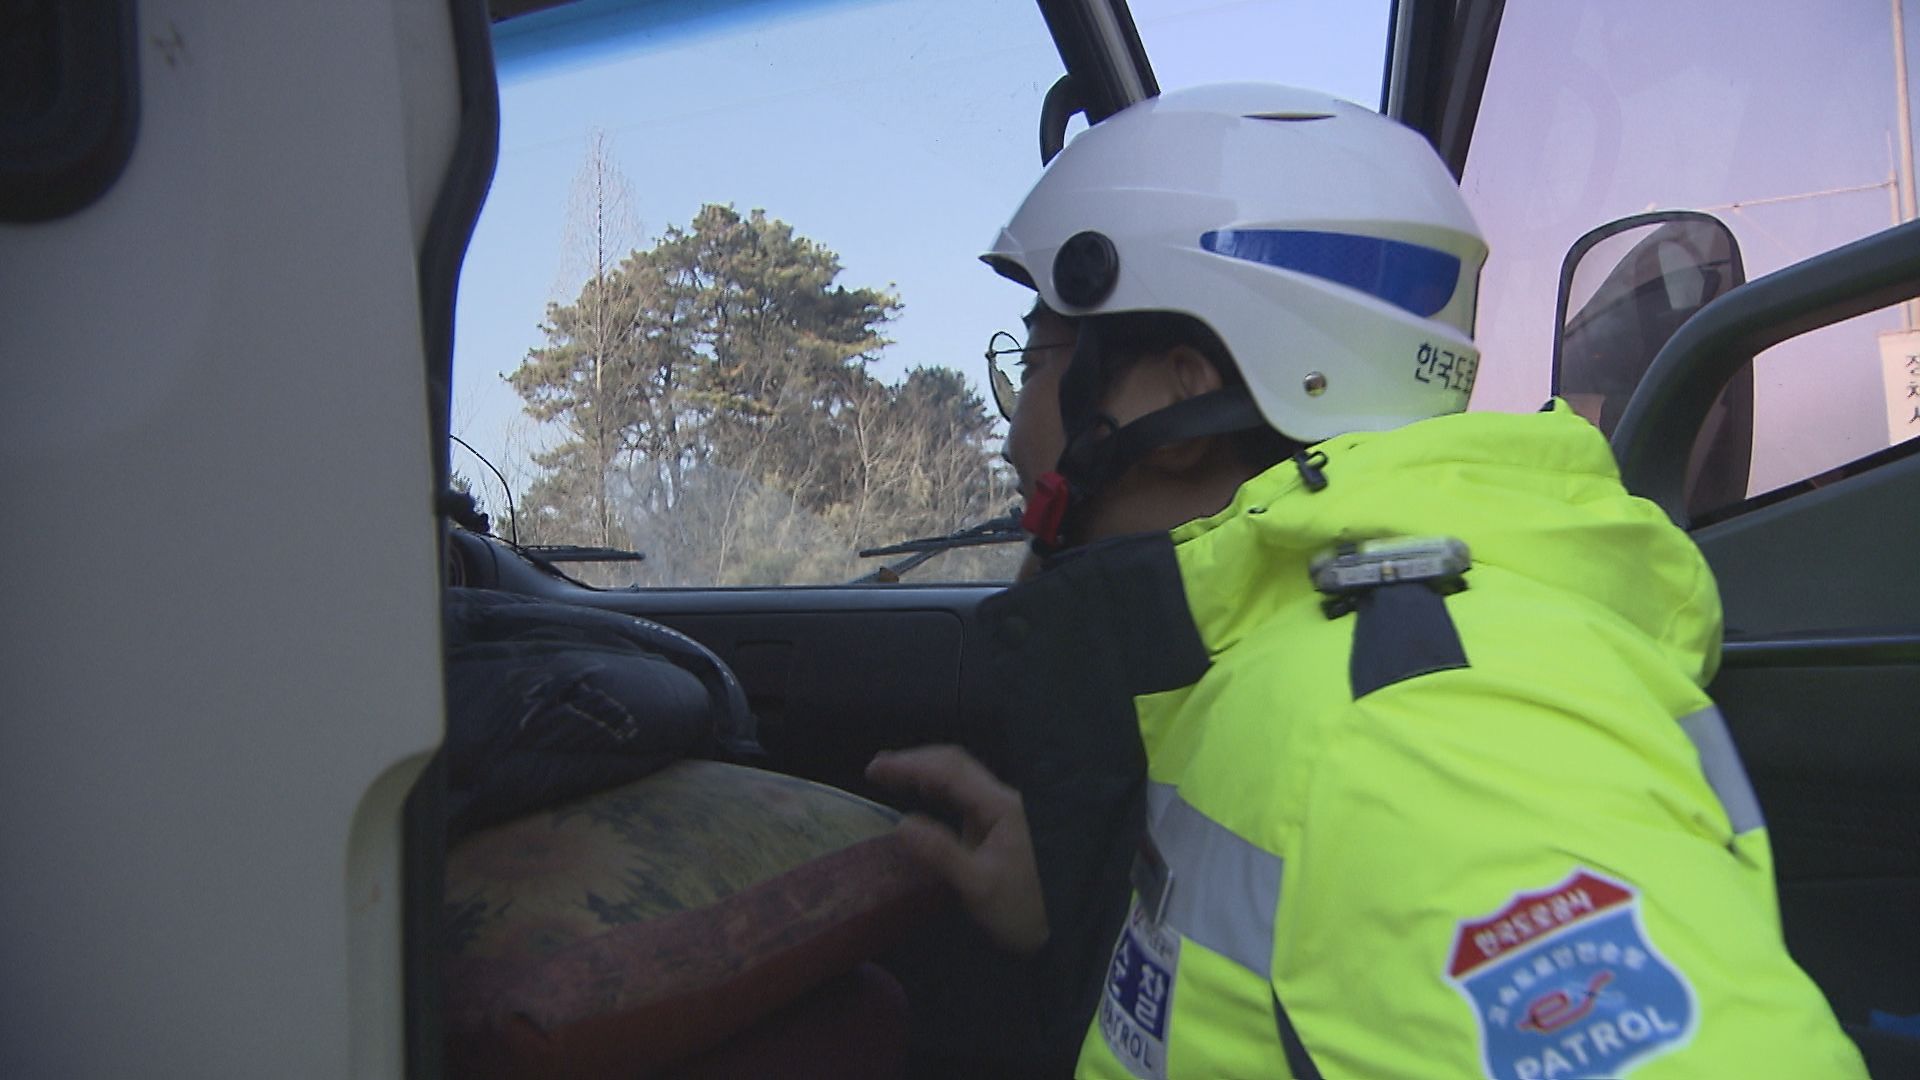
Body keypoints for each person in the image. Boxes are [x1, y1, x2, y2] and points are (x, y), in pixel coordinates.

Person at [867, 84, 1866, 1079]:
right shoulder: (1294, 675)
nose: (1010, 427)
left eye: (1036, 358)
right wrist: (1086, 907)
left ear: (1183, 388)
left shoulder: (1420, 734)